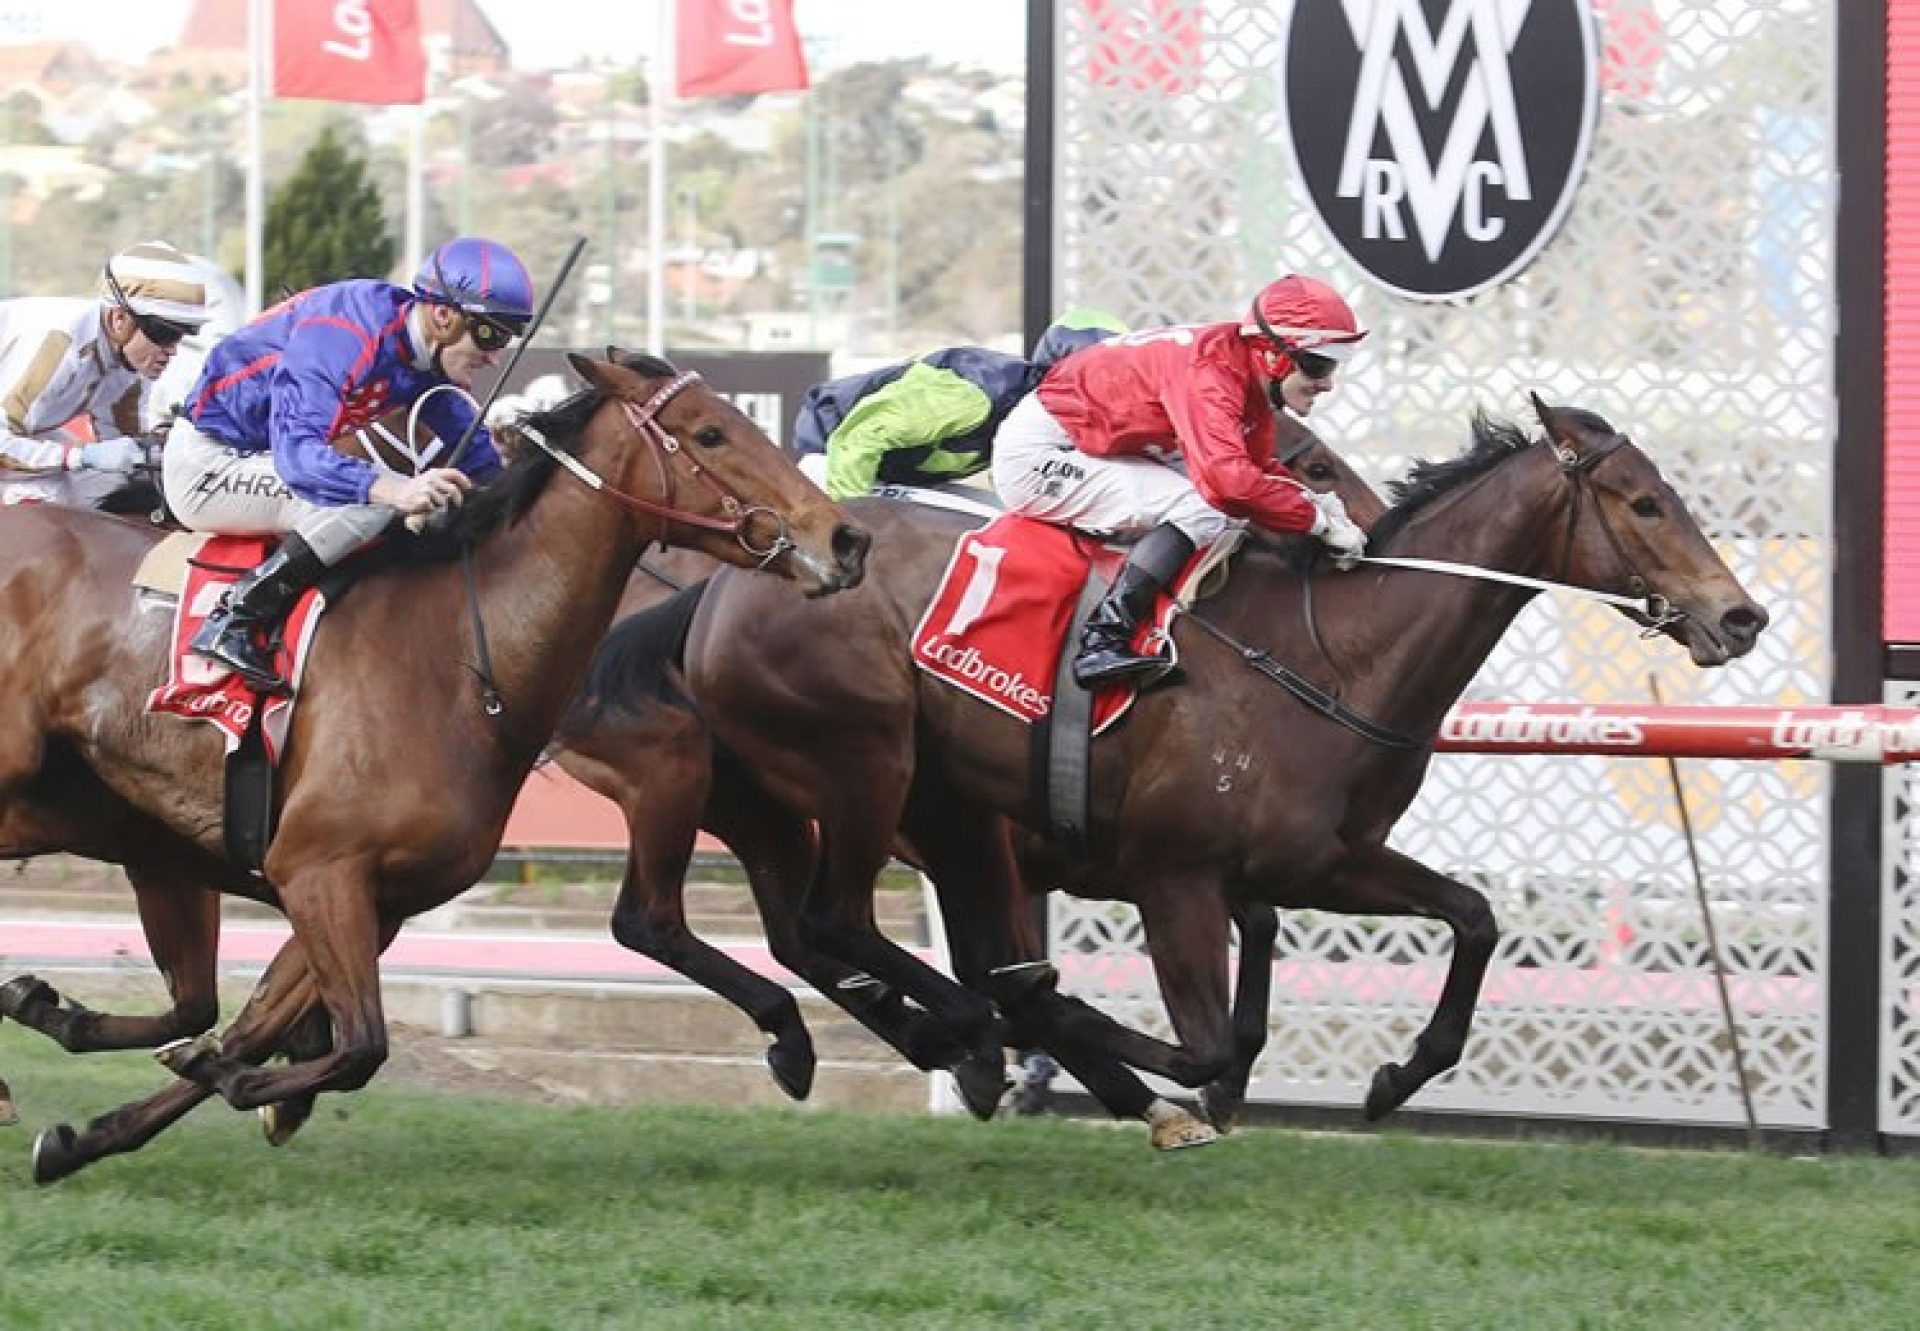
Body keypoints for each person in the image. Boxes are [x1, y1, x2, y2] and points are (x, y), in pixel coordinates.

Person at [162, 235, 535, 694]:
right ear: (443, 316)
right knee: (372, 502)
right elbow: (299, 456)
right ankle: (233, 618)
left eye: (506, 339)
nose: (495, 356)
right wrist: (396, 490)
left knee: (402, 504)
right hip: (208, 466)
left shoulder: (419, 353)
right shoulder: (343, 333)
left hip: (261, 460)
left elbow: (480, 459)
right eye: (491, 335)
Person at [991, 273, 1371, 689]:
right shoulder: (1211, 373)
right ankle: (1103, 639)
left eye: (1333, 366)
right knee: (1203, 507)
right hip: (1042, 454)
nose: (1327, 383)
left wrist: (1317, 505)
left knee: (1224, 509)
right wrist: (1317, 522)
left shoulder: (1239, 365)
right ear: (1272, 356)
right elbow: (1228, 483)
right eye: (1317, 366)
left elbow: (1257, 469)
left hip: (1092, 442)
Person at [793, 307, 1128, 500]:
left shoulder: (1040, 418)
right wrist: (853, 528)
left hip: (895, 476)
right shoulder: (974, 395)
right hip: (835, 458)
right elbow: (859, 438)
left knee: (992, 523)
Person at [0, 240, 211, 509]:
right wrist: (81, 456)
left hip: (22, 432)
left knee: (110, 485)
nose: (171, 351)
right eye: (164, 334)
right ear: (119, 319)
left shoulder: (130, 361)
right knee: (52, 490)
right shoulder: (61, 341)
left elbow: (126, 448)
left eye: (181, 336)